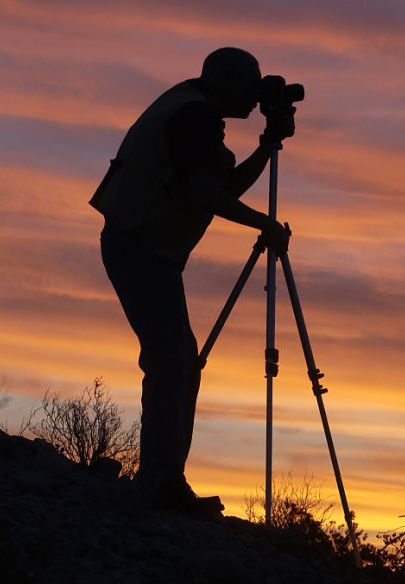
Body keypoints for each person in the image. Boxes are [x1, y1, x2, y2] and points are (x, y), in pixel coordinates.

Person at [90, 47, 294, 515]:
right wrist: (263, 223)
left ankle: (166, 480)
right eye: (251, 83)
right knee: (171, 362)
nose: (255, 93)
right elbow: (204, 193)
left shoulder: (191, 111)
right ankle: (159, 486)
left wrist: (267, 145)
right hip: (139, 247)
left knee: (180, 360)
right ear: (224, 80)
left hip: (148, 250)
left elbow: (221, 190)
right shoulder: (193, 117)